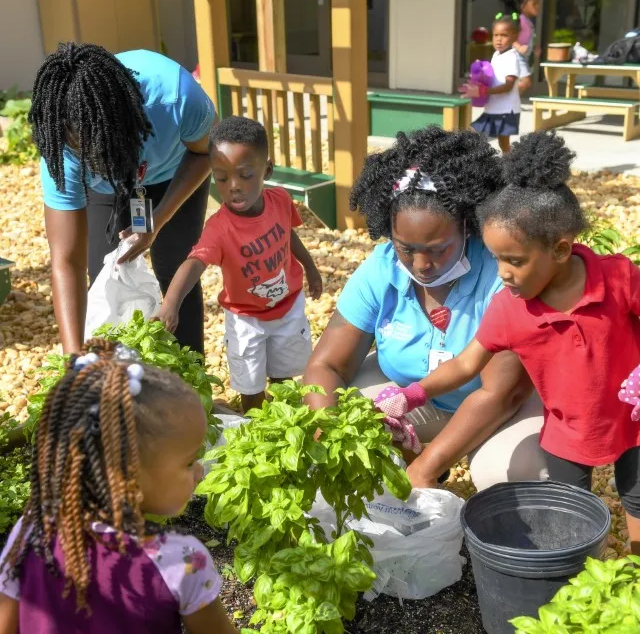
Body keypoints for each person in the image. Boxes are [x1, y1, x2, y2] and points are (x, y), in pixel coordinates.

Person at [383, 131, 640, 552]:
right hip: (566, 433)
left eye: (515, 261)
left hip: (633, 420)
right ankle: (576, 574)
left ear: (560, 249)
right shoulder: (510, 309)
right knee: (568, 510)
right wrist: (411, 395)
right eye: (497, 257)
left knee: (637, 499)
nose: (502, 273)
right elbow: (466, 364)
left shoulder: (615, 279)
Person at [304, 126, 547, 490]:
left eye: (437, 249)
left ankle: (446, 460)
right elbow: (327, 364)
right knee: (334, 412)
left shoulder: (503, 273)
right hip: (416, 396)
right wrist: (330, 435)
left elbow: (502, 393)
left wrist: (423, 472)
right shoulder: (382, 268)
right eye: (406, 248)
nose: (420, 264)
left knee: (507, 474)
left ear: (468, 226)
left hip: (502, 407)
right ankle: (413, 454)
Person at [0, 340, 238, 633]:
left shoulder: (32, 533)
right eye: (189, 463)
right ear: (128, 477)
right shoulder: (182, 560)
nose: (200, 472)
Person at [29, 43, 217, 356]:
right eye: (82, 153)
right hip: (105, 193)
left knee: (176, 271)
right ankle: (116, 381)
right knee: (104, 273)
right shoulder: (61, 148)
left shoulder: (176, 96)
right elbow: (66, 261)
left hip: (174, 173)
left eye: (100, 151)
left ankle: (190, 385)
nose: (91, 162)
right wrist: (73, 358)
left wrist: (157, 220)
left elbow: (205, 151)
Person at [156, 117, 323, 413]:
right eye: (221, 178)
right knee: (250, 381)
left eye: (245, 175)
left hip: (288, 306)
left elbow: (288, 235)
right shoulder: (219, 228)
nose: (233, 186)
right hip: (246, 318)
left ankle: (283, 415)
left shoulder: (281, 200)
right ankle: (254, 419)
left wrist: (309, 267)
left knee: (285, 372)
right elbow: (194, 263)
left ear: (267, 170)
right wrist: (171, 303)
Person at [470, 13, 521, 153]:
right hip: (494, 107)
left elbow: (508, 86)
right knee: (474, 134)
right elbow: (492, 77)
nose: (499, 39)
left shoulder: (512, 58)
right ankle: (508, 165)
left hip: (506, 110)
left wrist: (485, 91)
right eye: (495, 35)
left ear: (514, 37)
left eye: (504, 35)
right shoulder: (496, 55)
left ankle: (511, 167)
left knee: (503, 143)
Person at [513, 0, 539, 94]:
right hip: (517, 55)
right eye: (534, 4)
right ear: (522, 5)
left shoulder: (529, 22)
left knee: (523, 82)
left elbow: (529, 37)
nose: (538, 6)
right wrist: (519, 47)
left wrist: (534, 48)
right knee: (525, 81)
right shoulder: (520, 21)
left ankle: (511, 99)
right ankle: (507, 97)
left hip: (525, 57)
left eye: (538, 4)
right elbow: (511, 38)